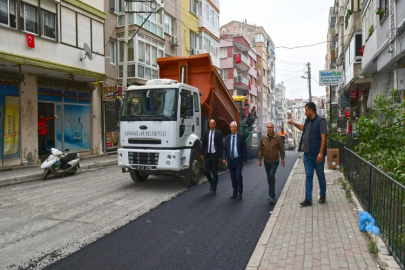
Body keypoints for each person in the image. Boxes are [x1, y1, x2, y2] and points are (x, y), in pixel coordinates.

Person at [288, 102, 327, 207]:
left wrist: (321, 153)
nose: (305, 112)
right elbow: (303, 128)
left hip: (317, 155)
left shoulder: (321, 121)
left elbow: (324, 137)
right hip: (307, 155)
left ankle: (322, 195)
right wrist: (294, 124)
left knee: (320, 176)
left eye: (306, 110)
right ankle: (308, 198)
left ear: (311, 110)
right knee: (309, 176)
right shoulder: (307, 121)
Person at [258, 122, 286, 205]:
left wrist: (283, 159)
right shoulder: (263, 137)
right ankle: (271, 194)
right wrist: (260, 159)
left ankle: (271, 196)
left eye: (270, 127)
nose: (269, 129)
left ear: (273, 128)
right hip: (266, 161)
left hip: (274, 161)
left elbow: (281, 148)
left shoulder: (277, 137)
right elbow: (260, 148)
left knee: (271, 175)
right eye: (268, 127)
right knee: (269, 178)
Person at [223, 121, 247, 200]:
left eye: (233, 127)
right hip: (231, 160)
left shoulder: (241, 136)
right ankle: (235, 191)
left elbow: (244, 149)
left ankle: (240, 192)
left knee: (238, 175)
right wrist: (224, 158)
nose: (232, 128)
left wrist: (244, 159)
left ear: (236, 128)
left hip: (238, 160)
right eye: (231, 127)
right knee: (232, 177)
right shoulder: (227, 138)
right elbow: (225, 149)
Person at [201, 119, 223, 196]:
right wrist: (202, 153)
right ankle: (212, 183)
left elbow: (221, 145)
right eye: (211, 124)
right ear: (209, 125)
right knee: (206, 171)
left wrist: (220, 155)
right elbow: (203, 143)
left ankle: (214, 189)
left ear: (215, 124)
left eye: (213, 124)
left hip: (214, 155)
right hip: (207, 154)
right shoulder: (206, 133)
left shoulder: (218, 133)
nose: (212, 126)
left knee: (214, 172)